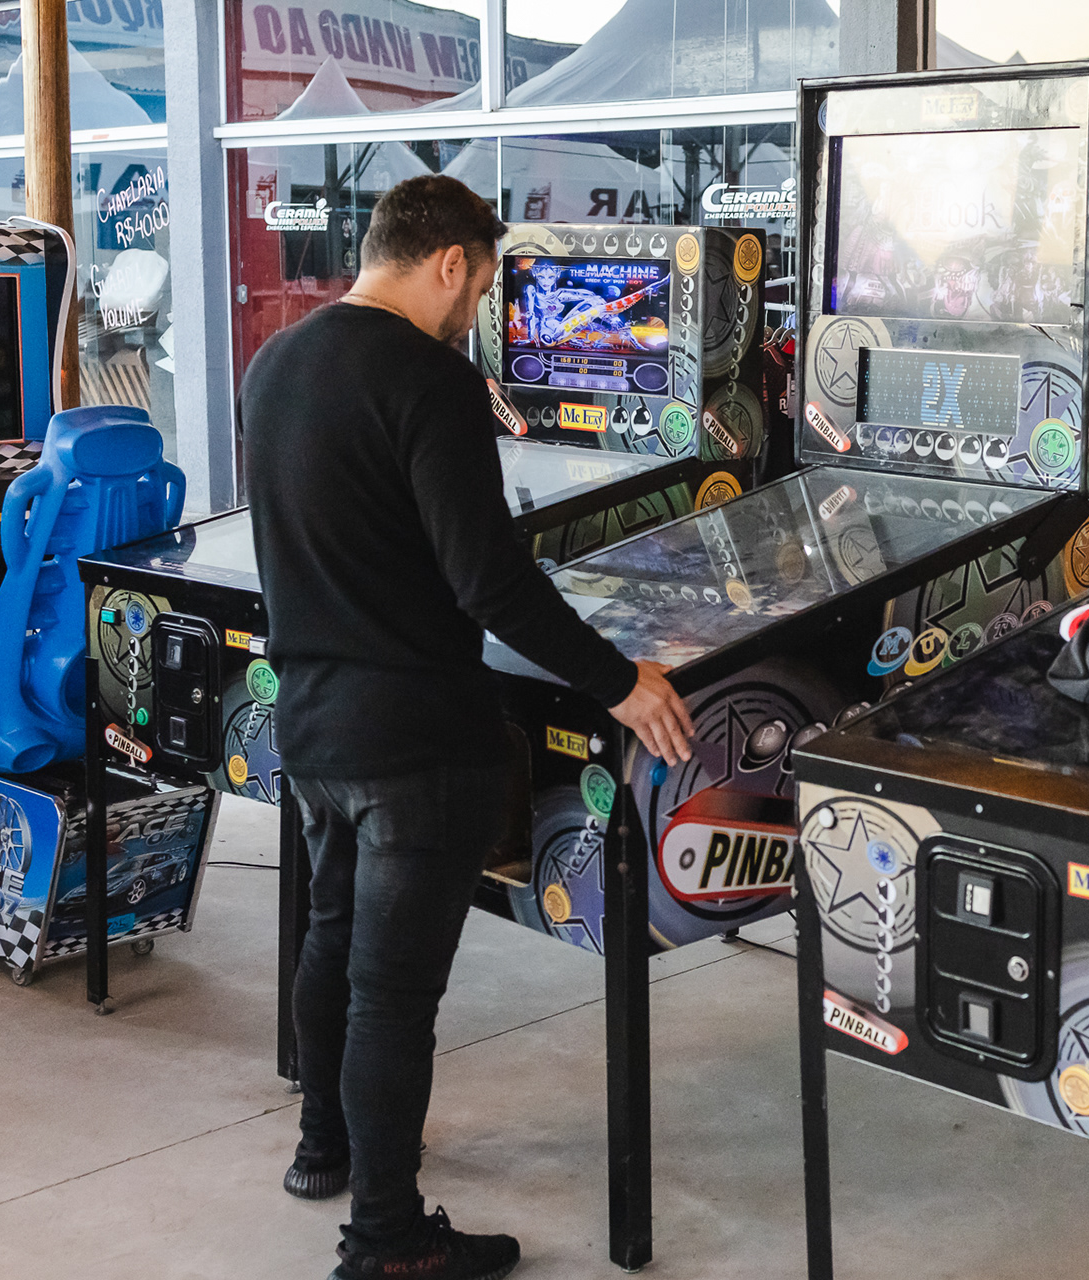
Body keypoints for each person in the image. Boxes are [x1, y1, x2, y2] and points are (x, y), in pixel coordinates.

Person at [242, 174, 695, 1280]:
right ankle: (386, 1240)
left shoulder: (276, 363)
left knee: (331, 940)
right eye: (482, 287)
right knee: (394, 996)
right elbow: (488, 578)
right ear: (449, 261)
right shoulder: (430, 379)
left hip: (314, 723)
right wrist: (617, 681)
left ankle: (323, 1148)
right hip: (414, 741)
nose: (477, 311)